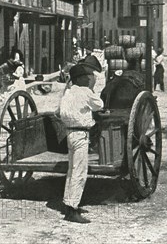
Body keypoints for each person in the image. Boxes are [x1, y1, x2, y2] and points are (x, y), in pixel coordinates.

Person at [56, 63, 104, 224]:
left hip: (69, 133)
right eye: (88, 77)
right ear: (82, 79)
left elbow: (59, 112)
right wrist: (91, 89)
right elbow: (100, 105)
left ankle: (68, 201)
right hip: (81, 134)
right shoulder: (85, 92)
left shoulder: (68, 92)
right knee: (80, 172)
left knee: (72, 170)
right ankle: (72, 209)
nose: (91, 79)